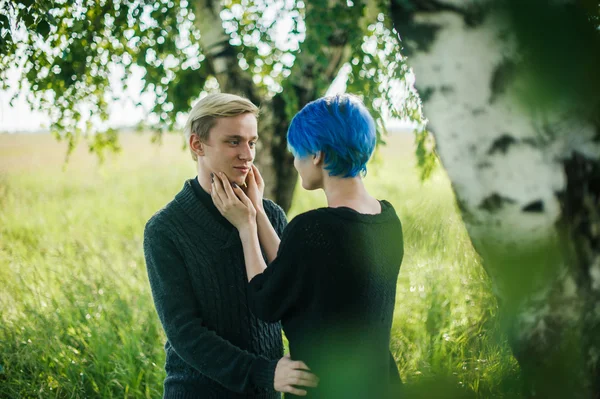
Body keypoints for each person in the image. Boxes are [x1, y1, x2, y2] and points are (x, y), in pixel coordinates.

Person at [210, 93, 405, 398]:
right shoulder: (387, 220)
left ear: (317, 154)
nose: (295, 161)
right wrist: (259, 211)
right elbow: (295, 269)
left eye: (297, 152)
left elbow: (266, 299)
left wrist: (246, 226)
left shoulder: (314, 228)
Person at [143, 93, 318, 398]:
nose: (247, 154)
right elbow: (185, 334)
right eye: (233, 141)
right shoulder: (165, 229)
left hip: (265, 392)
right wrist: (263, 372)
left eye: (251, 142)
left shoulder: (272, 216)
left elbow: (293, 296)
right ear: (197, 145)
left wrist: (257, 213)